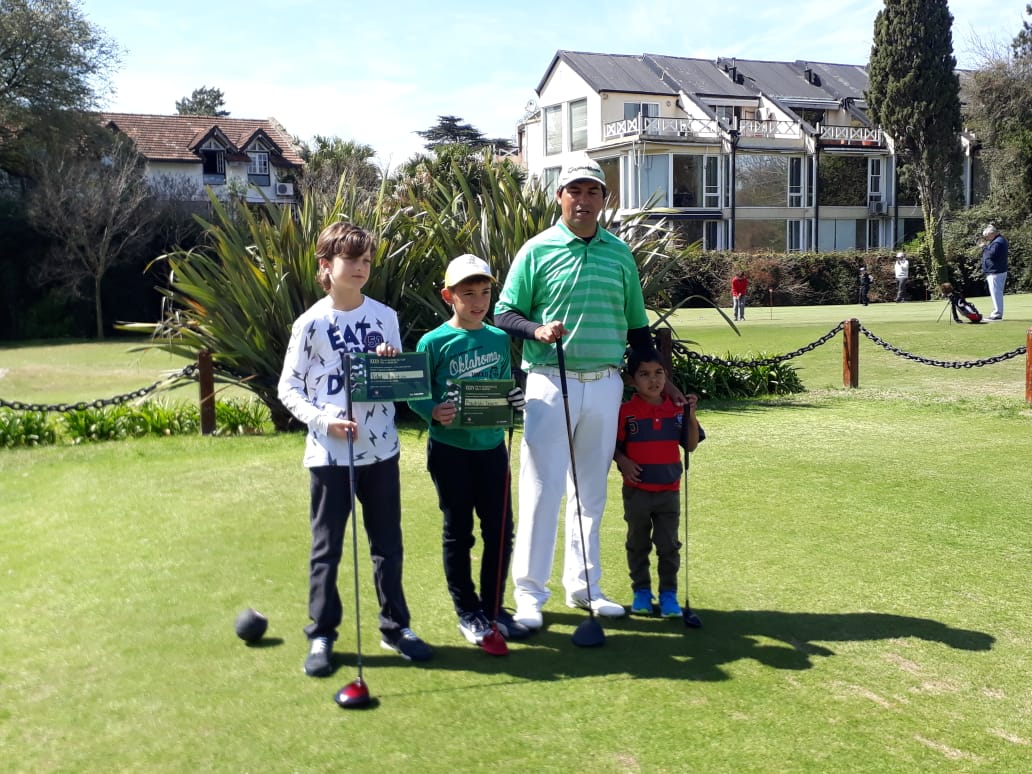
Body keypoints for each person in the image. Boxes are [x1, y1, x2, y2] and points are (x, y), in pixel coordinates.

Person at [494, 156, 685, 630]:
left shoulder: (619, 254)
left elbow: (637, 329)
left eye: (593, 191)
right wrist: (536, 330)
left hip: (604, 384)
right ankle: (529, 593)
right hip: (549, 380)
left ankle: (585, 586)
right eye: (575, 191)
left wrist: (665, 385)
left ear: (603, 199)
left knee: (591, 493)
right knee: (542, 490)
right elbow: (504, 313)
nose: (583, 199)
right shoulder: (536, 250)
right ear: (559, 197)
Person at [278, 220, 431, 677]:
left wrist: (390, 365)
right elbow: (289, 388)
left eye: (366, 260)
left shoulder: (386, 317)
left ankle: (396, 628)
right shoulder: (310, 323)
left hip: (381, 451)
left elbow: (396, 382)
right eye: (351, 259)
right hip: (329, 455)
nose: (361, 267)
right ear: (326, 265)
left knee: (388, 545)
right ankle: (322, 633)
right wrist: (324, 421)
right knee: (327, 549)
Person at [409, 254, 531, 647]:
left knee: (500, 531)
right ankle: (468, 611)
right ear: (449, 296)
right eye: (468, 293)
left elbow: (502, 385)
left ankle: (493, 607)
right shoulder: (433, 341)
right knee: (458, 531)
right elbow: (415, 394)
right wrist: (433, 410)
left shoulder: (498, 338)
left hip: (492, 447)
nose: (479, 301)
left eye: (484, 292)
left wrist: (513, 399)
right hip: (451, 450)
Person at [614, 349, 703, 620]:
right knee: (638, 543)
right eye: (644, 374)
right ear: (632, 381)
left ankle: (668, 594)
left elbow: (690, 445)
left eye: (658, 373)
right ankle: (641, 591)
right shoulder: (625, 412)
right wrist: (623, 461)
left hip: (669, 491)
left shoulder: (676, 409)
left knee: (668, 546)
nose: (653, 380)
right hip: (637, 491)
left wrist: (690, 415)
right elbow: (613, 447)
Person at [980, 224, 1009, 320]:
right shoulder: (999, 240)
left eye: (987, 236)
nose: (986, 238)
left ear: (992, 234)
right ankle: (997, 312)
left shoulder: (997, 242)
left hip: (996, 272)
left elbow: (991, 255)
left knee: (996, 293)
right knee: (997, 293)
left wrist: (984, 247)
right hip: (997, 271)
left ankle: (997, 313)